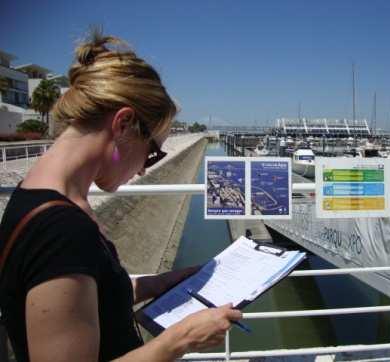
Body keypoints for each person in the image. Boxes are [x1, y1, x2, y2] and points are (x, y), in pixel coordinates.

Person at [0, 31, 241, 362]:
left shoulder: (40, 195)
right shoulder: (61, 231)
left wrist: (161, 283)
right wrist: (180, 340)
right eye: (152, 153)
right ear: (124, 124)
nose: (144, 169)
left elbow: (91, 298)